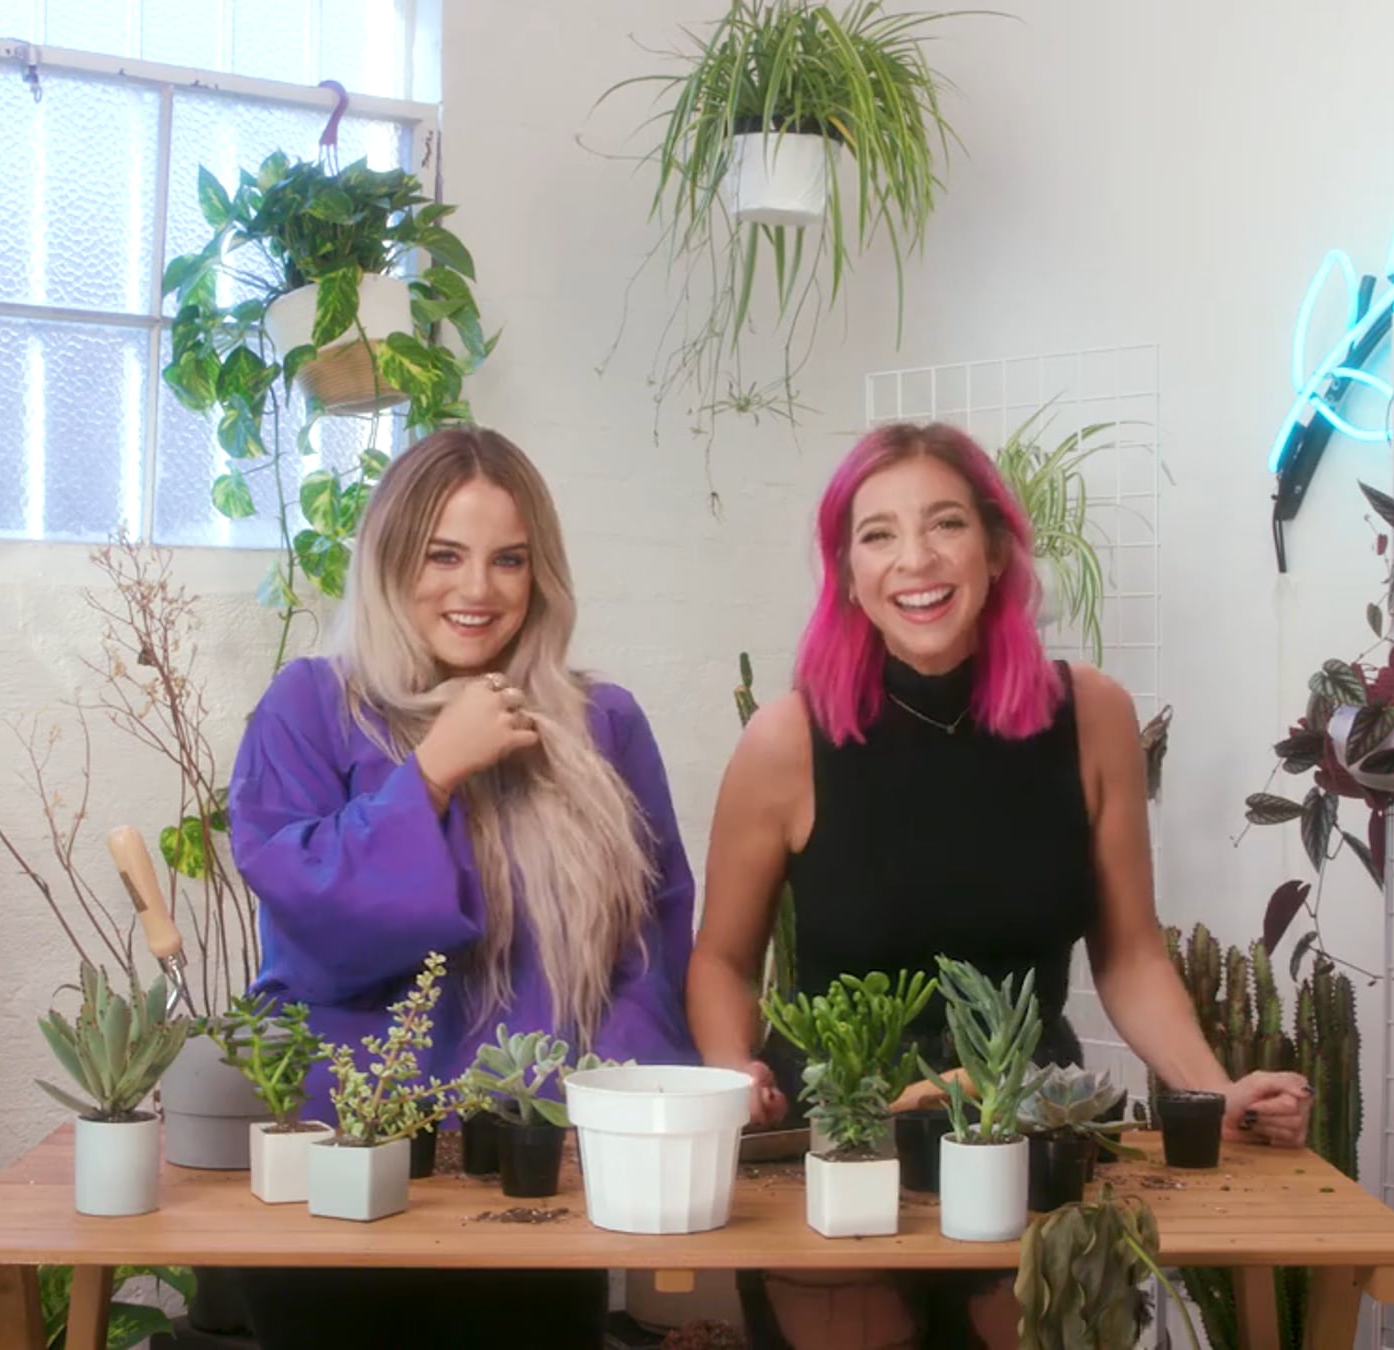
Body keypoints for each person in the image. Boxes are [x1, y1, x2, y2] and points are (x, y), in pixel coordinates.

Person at [687, 422, 1313, 1350]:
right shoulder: (786, 741)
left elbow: (1130, 955)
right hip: (841, 1135)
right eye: (878, 535)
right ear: (848, 574)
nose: (916, 559)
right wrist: (729, 1069)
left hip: (1029, 1126)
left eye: (944, 523)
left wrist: (1209, 1094)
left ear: (994, 547)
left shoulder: (1091, 717)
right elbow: (722, 960)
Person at [224, 426, 697, 1349]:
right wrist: (434, 772)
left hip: (534, 1183)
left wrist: (611, 1114)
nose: (477, 589)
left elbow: (649, 946)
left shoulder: (604, 724)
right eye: (444, 555)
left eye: (508, 559)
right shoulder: (309, 708)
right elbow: (311, 927)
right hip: (347, 1172)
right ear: (389, 558)